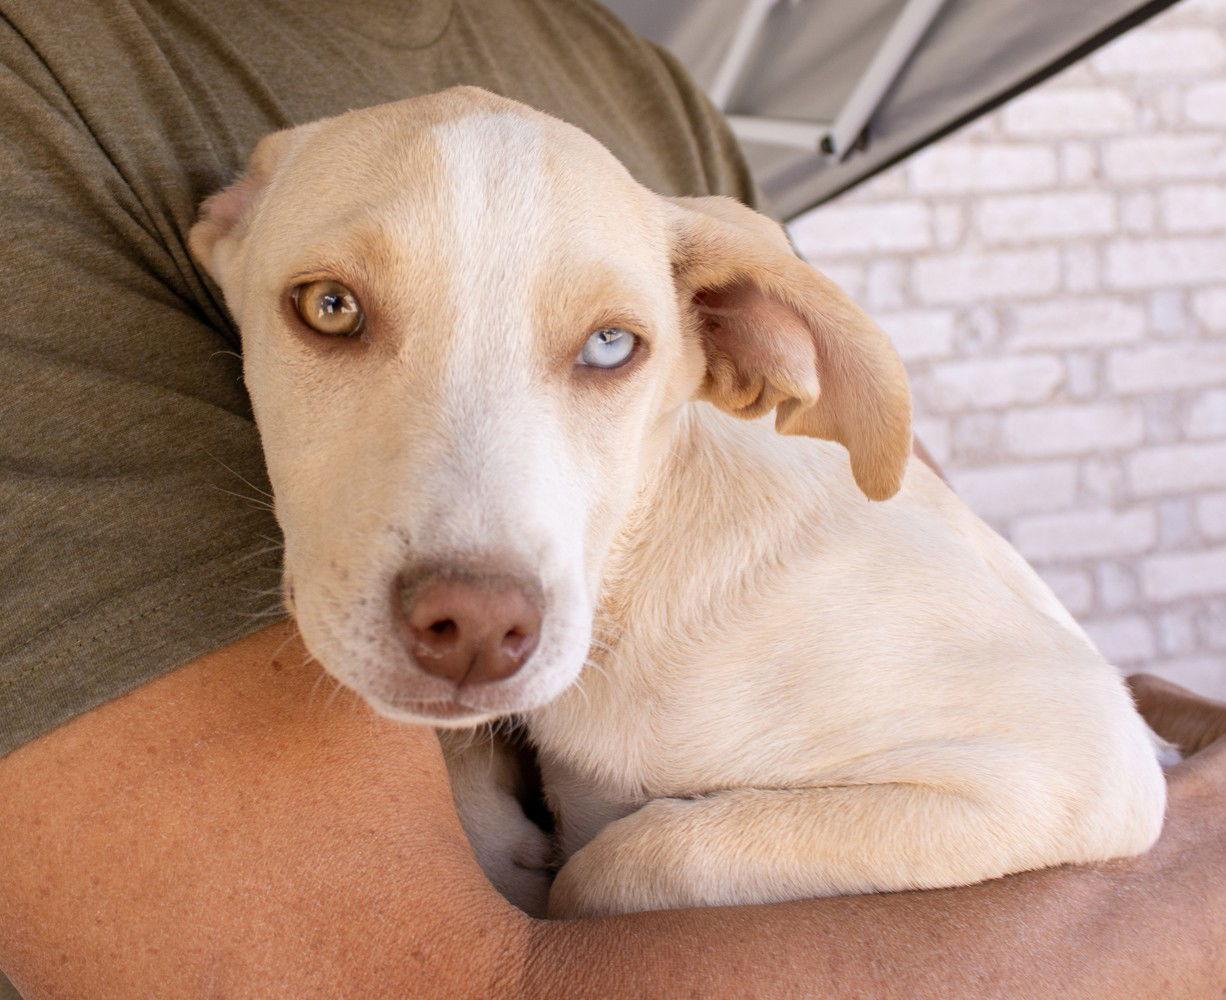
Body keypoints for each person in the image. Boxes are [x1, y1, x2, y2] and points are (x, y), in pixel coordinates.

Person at [1, 2, 1223, 996]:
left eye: (602, 350)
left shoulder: (645, 88)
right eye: (335, 309)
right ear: (229, 243)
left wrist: (630, 880)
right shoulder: (61, 70)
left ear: (721, 343)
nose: (472, 595)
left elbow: (1095, 780)